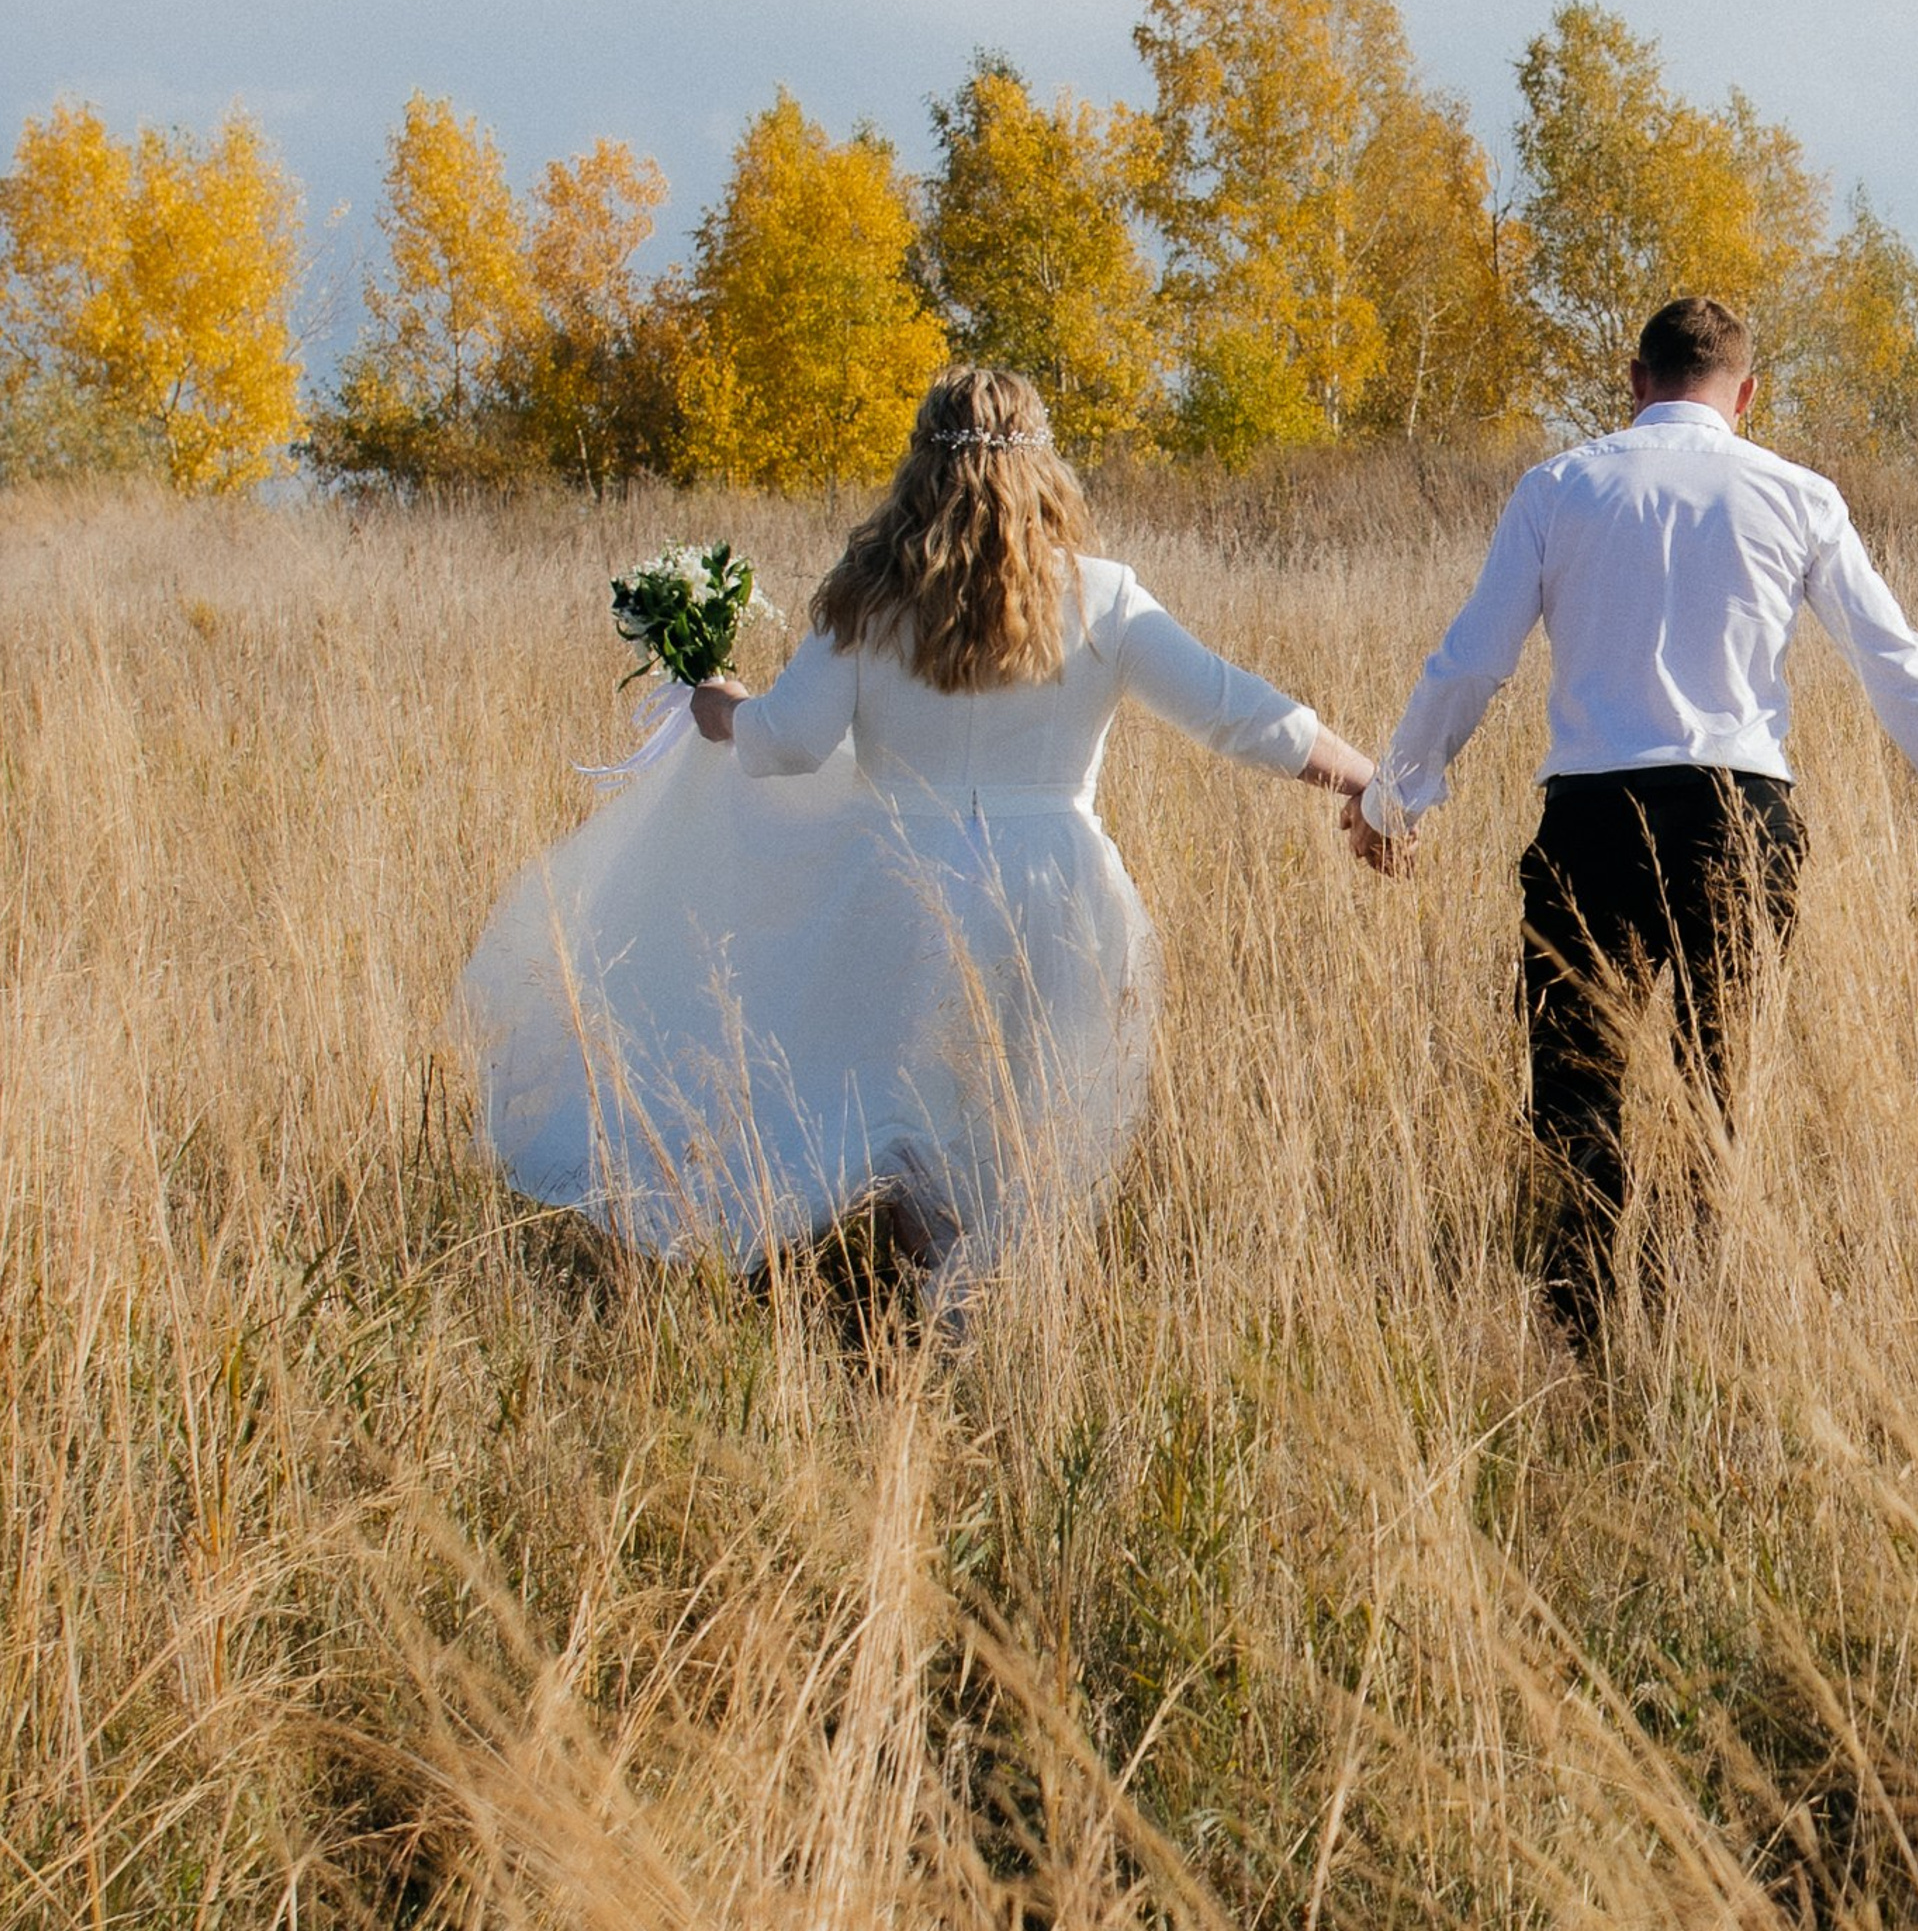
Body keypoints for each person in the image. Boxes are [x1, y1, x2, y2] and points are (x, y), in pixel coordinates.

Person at [463, 365, 1375, 1306]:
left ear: (917, 461)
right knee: (1020, 1114)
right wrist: (1362, 781)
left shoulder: (871, 599)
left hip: (902, 882)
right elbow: (1235, 712)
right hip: (1056, 887)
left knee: (911, 1115)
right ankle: (968, 1320)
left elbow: (787, 744)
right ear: (1044, 462)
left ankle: (916, 1305)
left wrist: (723, 707)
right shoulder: (1101, 598)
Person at [1352, 293, 1918, 1350]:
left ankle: (1582, 1331)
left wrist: (1400, 792)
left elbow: (1473, 657)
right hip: (1737, 820)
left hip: (1589, 818)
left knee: (1575, 1088)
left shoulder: (1560, 488)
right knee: (1718, 1084)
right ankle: (1683, 1323)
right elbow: (1897, 668)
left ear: (1634, 383)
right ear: (1746, 396)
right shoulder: (1796, 495)